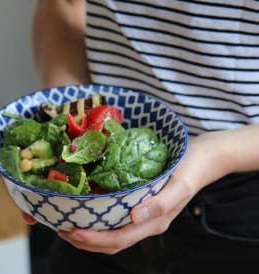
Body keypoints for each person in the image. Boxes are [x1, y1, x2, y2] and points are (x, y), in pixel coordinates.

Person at [27, 1, 259, 273]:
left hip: (236, 214)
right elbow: (63, 8)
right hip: (94, 194)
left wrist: (216, 154)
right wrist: (72, 120)